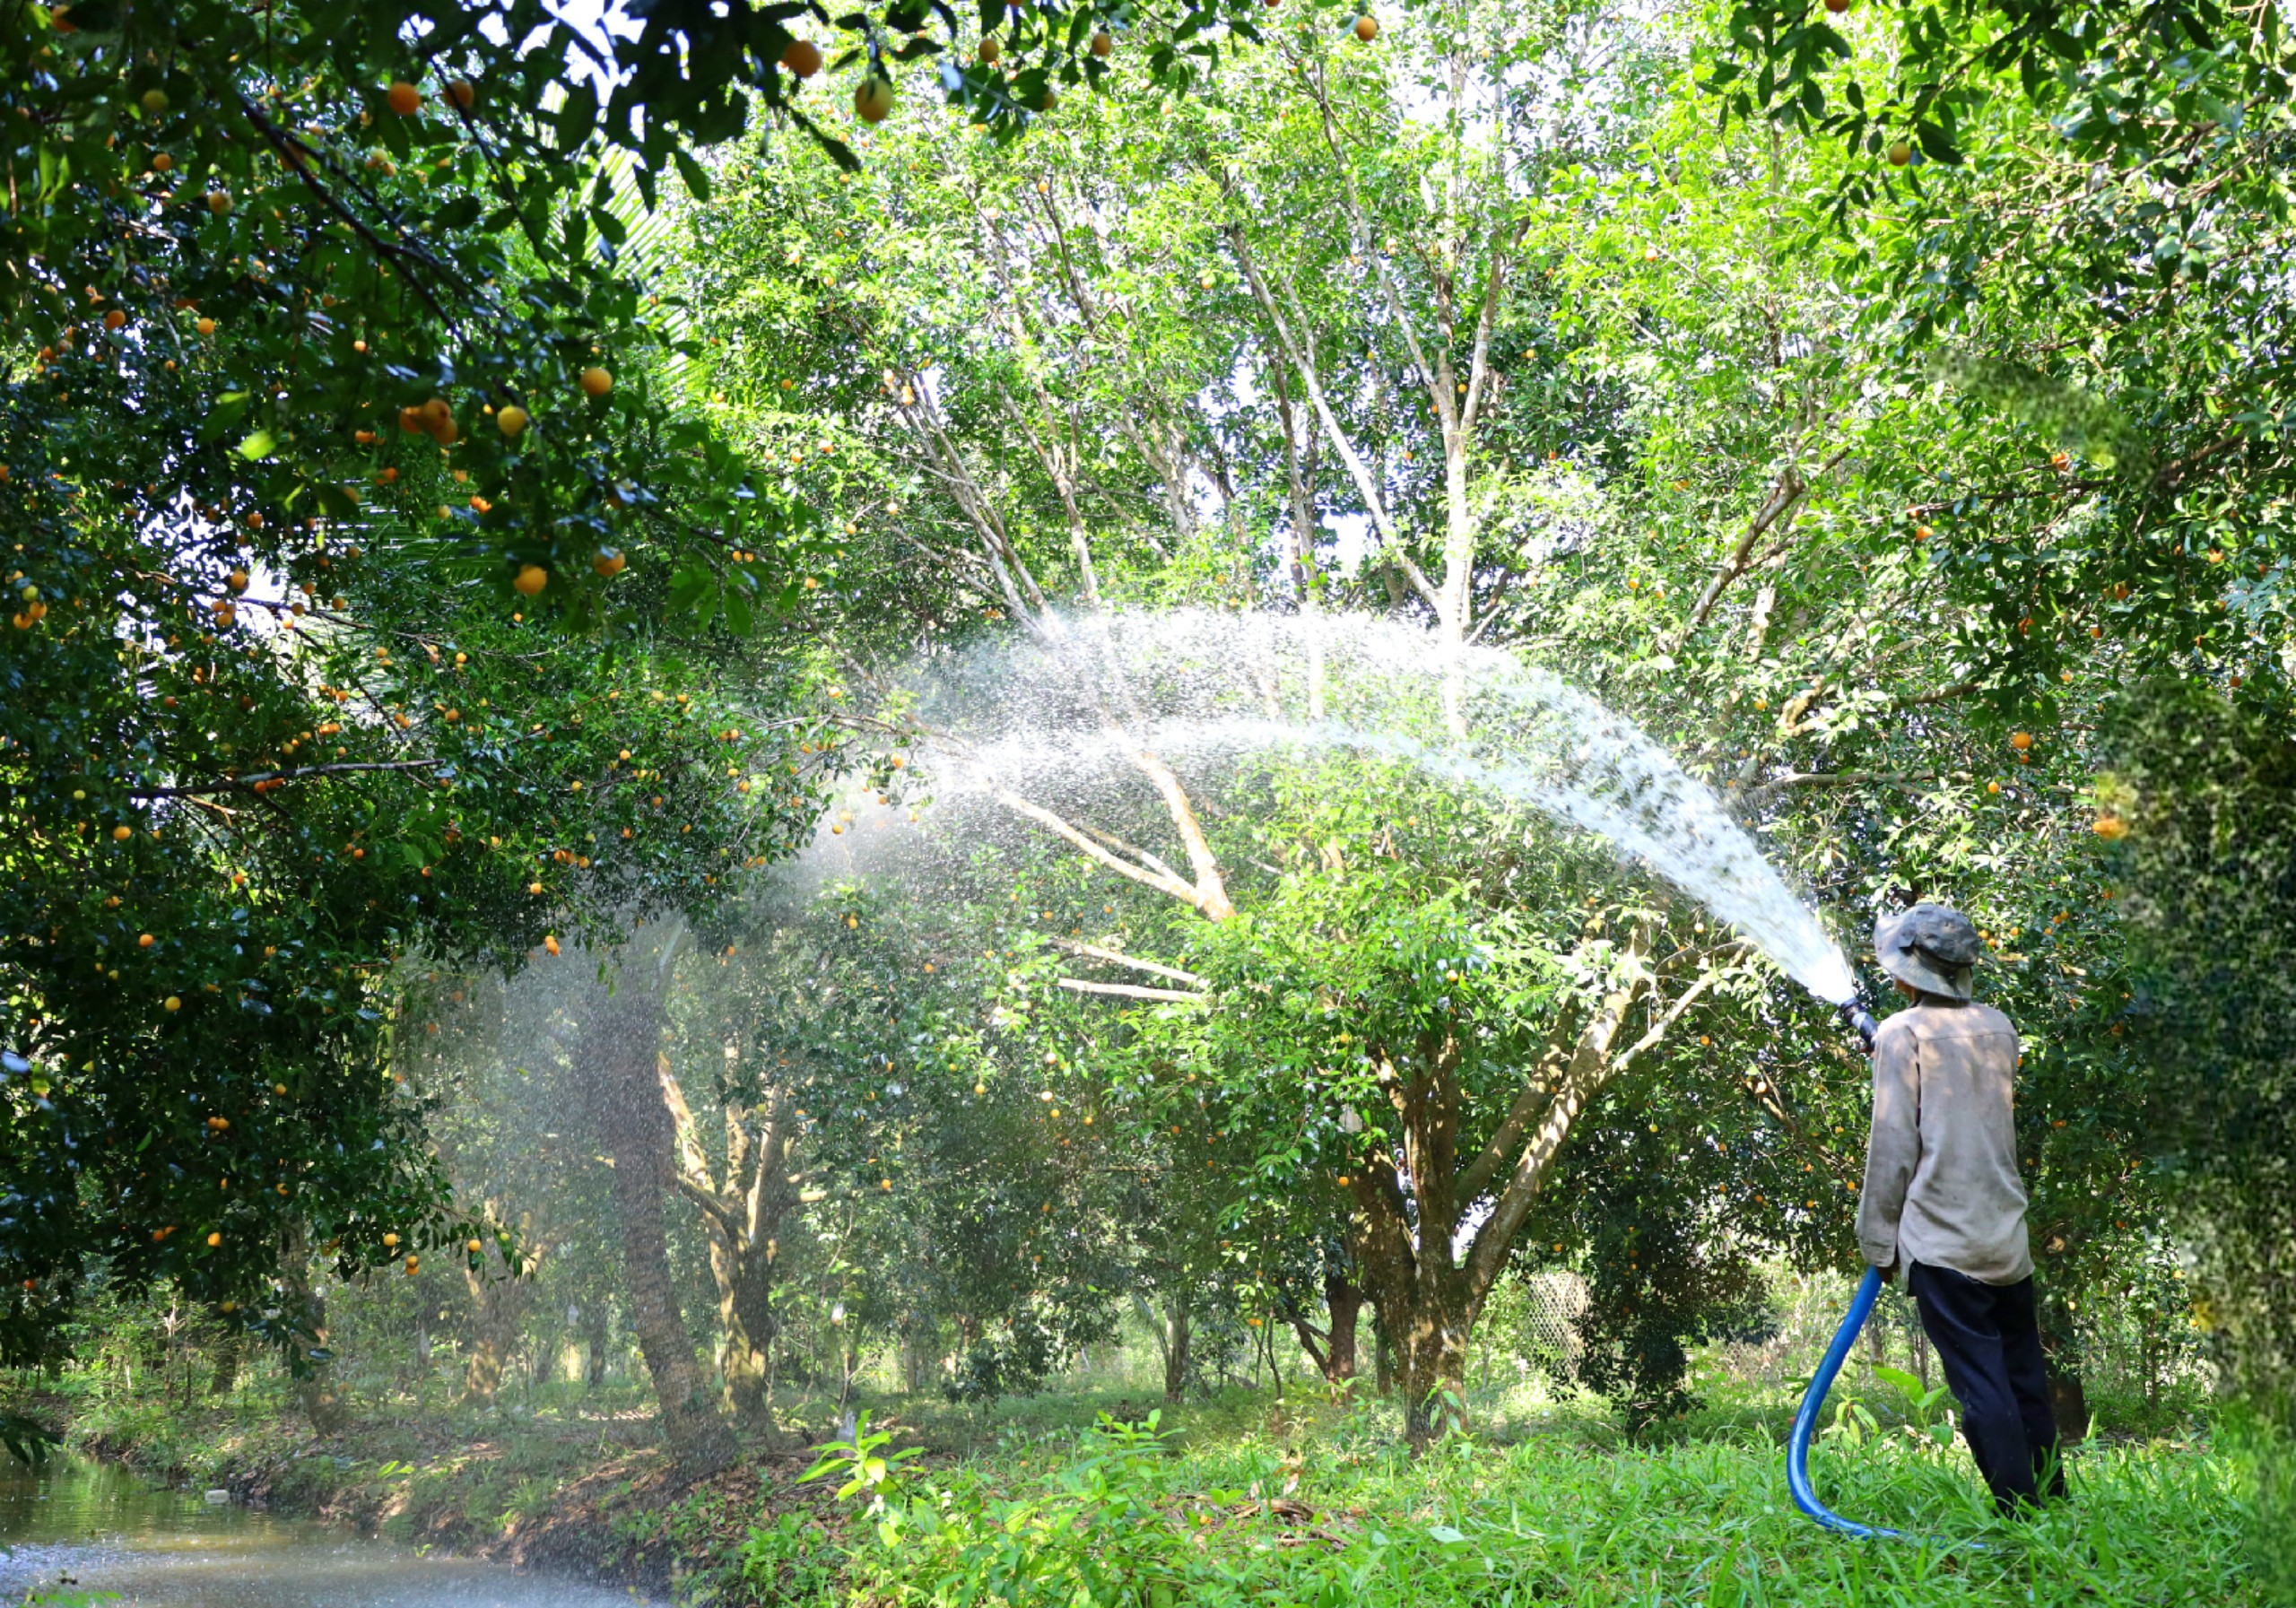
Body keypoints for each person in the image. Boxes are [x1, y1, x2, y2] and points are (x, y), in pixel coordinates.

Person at [1857, 901, 2066, 1517]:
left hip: (1945, 1246)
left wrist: (1878, 1241)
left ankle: (2021, 1516)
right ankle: (2053, 1503)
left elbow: (1895, 1146)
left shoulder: (1901, 1033)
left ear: (1911, 969)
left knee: (1982, 1386)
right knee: (2024, 1376)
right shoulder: (1999, 1025)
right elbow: (1962, 1101)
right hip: (2006, 1239)